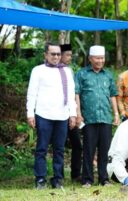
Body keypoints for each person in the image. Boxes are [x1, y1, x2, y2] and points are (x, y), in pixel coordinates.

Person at [26, 42, 77, 189]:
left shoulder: (67, 71)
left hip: (62, 116)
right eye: (53, 54)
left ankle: (57, 179)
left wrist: (72, 114)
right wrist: (30, 114)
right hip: (43, 115)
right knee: (41, 148)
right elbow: (32, 93)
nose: (56, 57)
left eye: (58, 54)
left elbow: (71, 94)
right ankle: (40, 179)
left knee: (59, 149)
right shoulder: (38, 70)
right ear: (46, 55)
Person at [75, 45, 119, 188]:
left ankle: (104, 178)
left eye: (102, 58)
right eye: (97, 58)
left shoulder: (108, 74)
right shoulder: (82, 74)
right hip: (88, 118)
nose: (100, 61)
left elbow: (113, 95)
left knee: (105, 149)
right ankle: (87, 179)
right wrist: (78, 114)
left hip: (105, 117)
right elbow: (77, 94)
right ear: (90, 59)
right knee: (89, 149)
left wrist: (116, 114)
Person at [60, 44, 82, 182]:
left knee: (77, 145)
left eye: (70, 55)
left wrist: (75, 113)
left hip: (71, 113)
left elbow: (73, 94)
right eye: (67, 55)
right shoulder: (48, 70)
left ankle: (75, 175)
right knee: (59, 146)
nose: (70, 58)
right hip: (57, 115)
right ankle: (59, 175)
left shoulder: (69, 71)